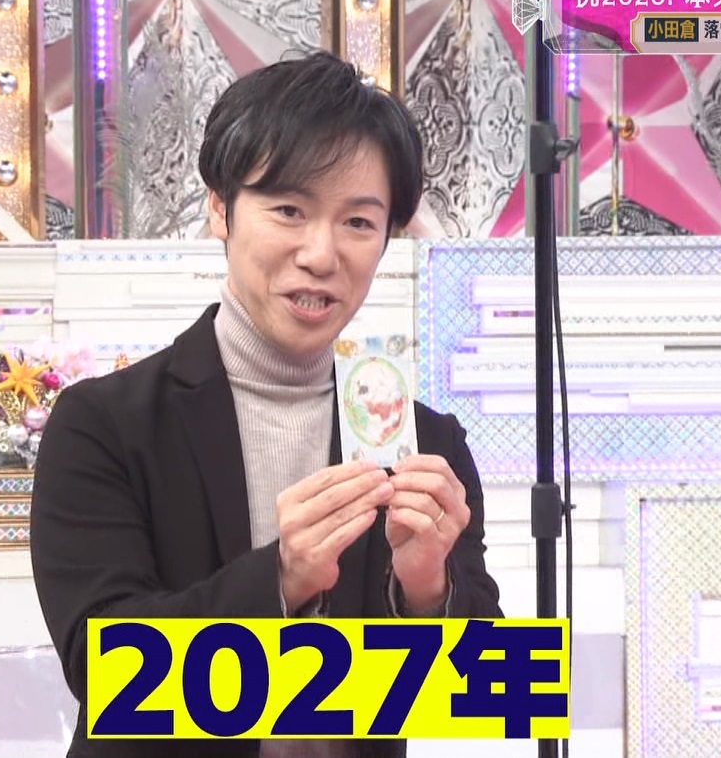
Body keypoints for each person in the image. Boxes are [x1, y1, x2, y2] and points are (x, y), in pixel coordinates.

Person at [30, 51, 503, 758]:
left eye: (358, 222)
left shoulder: (425, 442)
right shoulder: (104, 425)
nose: (321, 254)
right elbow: (104, 673)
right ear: (220, 208)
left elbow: (485, 692)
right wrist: (280, 579)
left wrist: (427, 590)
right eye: (288, 210)